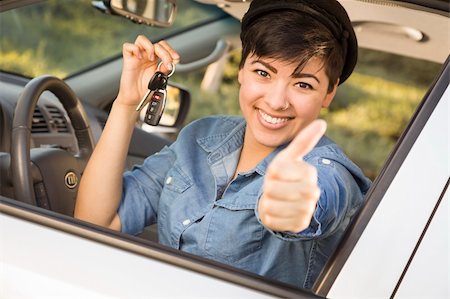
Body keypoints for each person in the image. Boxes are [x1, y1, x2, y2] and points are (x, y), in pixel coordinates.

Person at [75, 0, 371, 289]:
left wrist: (293, 209)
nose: (277, 101)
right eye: (263, 73)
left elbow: (319, 201)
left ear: (329, 93)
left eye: (303, 84)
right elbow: (96, 221)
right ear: (241, 70)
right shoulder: (201, 137)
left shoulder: (329, 172)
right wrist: (127, 103)